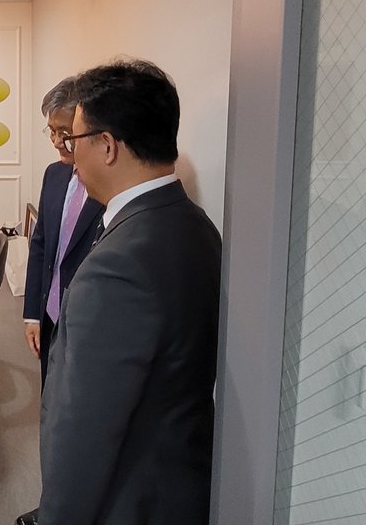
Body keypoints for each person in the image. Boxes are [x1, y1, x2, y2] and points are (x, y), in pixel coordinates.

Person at [38, 60, 222, 525]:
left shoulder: (116, 266)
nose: (69, 155)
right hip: (180, 476)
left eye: (73, 140)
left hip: (127, 496)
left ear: (107, 146)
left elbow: (85, 430)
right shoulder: (196, 223)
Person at [15, 78, 105, 525]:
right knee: (51, 410)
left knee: (81, 420)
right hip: (50, 316)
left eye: (65, 132)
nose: (57, 142)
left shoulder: (108, 183)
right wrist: (33, 313)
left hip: (87, 324)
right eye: (51, 131)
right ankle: (54, 499)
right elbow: (41, 245)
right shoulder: (55, 175)